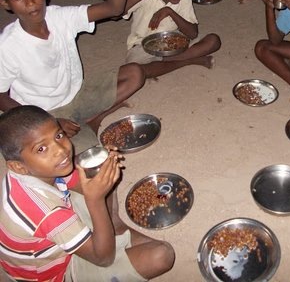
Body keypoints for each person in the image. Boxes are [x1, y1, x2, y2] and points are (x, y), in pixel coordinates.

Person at [0, 105, 175, 281]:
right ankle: (109, 229)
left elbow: (80, 179)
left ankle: (113, 224)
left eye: (59, 136)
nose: (61, 151)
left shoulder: (31, 172)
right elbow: (104, 259)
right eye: (41, 149)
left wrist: (102, 167)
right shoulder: (49, 213)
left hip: (55, 236)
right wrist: (96, 200)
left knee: (96, 168)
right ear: (18, 166)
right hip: (60, 273)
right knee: (161, 256)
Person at [0, 0, 146, 154]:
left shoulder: (59, 17)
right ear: (5, 3)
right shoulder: (7, 46)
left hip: (77, 93)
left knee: (135, 74)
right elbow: (1, 96)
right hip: (43, 112)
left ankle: (85, 122)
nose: (30, 2)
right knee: (91, 159)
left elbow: (113, 8)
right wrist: (50, 122)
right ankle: (83, 125)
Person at [123, 0, 221, 78]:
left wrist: (170, 12)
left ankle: (166, 60)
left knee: (213, 41)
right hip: (142, 45)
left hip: (174, 42)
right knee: (135, 70)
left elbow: (193, 34)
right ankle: (188, 61)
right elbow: (119, 11)